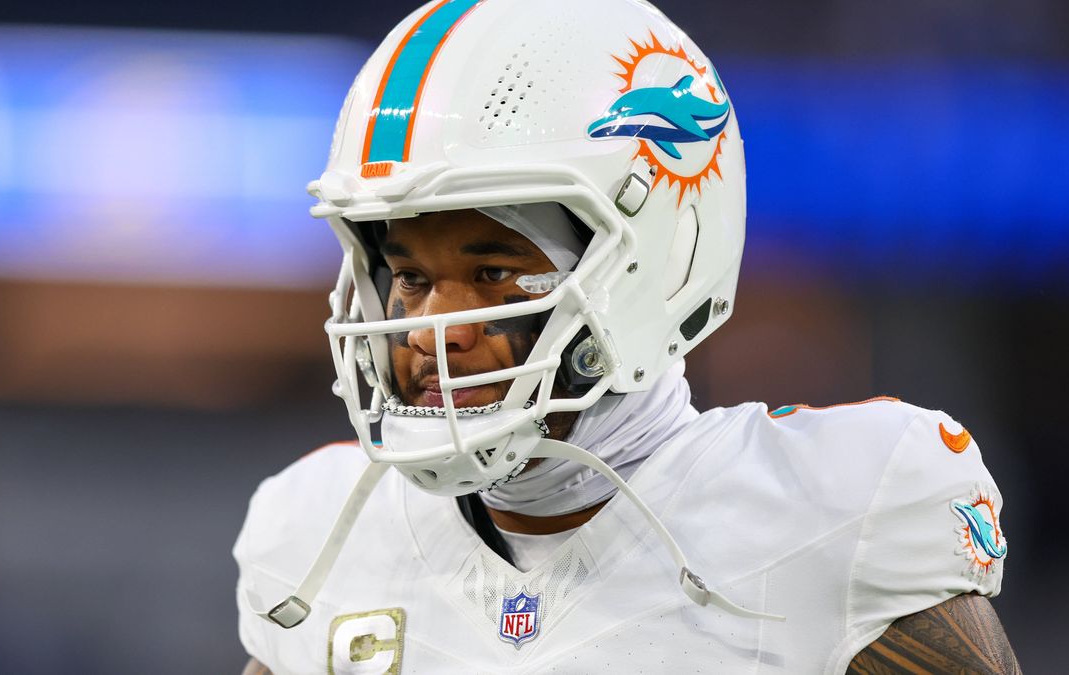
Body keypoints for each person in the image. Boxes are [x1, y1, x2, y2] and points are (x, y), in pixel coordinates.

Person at [234, 0, 1019, 672]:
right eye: (410, 277)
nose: (440, 328)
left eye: (498, 273)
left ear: (657, 263)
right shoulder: (314, 537)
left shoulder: (837, 515)